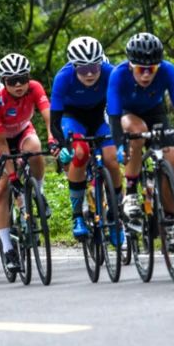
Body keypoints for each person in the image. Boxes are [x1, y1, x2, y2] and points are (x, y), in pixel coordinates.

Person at [107, 32, 174, 253]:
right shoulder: (118, 74)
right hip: (125, 113)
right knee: (138, 132)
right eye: (140, 69)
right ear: (130, 65)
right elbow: (114, 115)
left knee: (171, 159)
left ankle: (170, 222)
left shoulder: (167, 70)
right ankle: (131, 194)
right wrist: (119, 145)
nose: (146, 74)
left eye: (151, 69)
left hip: (155, 112)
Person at [0, 53, 55, 274]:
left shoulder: (35, 88)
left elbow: (48, 117)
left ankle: (39, 193)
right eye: (12, 81)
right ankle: (8, 248)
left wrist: (52, 138)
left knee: (35, 147)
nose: (18, 85)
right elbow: (2, 144)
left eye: (22, 79)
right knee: (0, 189)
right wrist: (13, 176)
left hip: (23, 130)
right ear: (4, 82)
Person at [49, 36, 121, 243]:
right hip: (73, 117)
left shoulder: (111, 72)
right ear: (74, 66)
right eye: (83, 69)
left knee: (111, 158)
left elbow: (120, 108)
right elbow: (55, 122)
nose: (89, 73)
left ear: (101, 64)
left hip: (100, 115)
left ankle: (116, 214)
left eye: (94, 67)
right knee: (80, 153)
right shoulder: (63, 78)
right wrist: (63, 145)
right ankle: (77, 216)